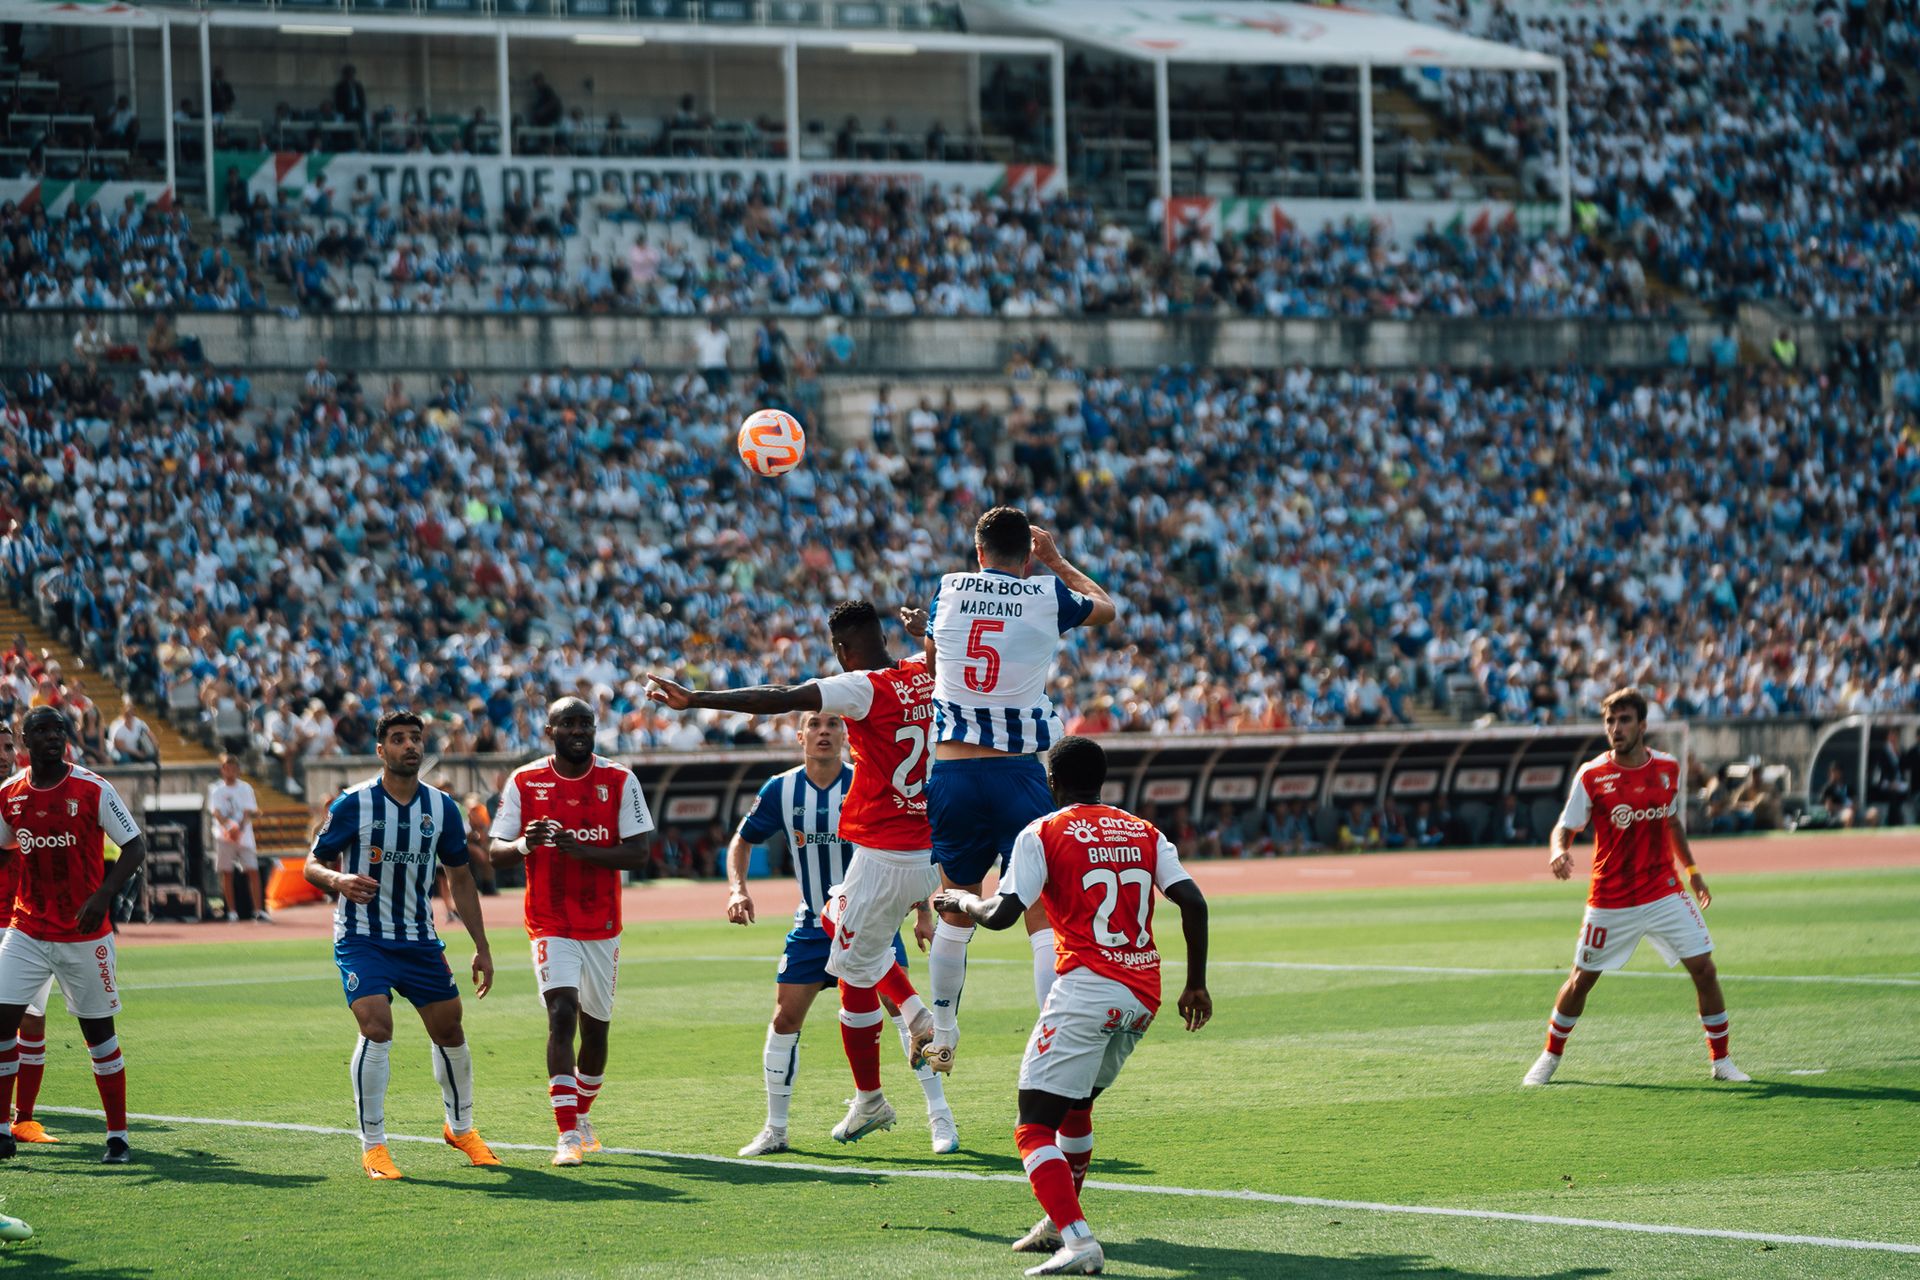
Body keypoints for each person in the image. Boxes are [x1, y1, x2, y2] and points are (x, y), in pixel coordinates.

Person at [646, 599, 941, 1148]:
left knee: (850, 946)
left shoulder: (862, 687)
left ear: (840, 650)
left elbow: (780, 698)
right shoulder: (926, 673)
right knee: (842, 940)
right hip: (929, 853)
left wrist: (698, 699)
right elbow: (941, 664)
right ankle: (871, 1098)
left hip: (884, 852)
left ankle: (920, 1018)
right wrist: (929, 638)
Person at [933, 736, 1210, 1277]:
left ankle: (1078, 1239)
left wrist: (959, 900)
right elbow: (1193, 902)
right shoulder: (1143, 830)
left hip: (1086, 989)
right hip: (1141, 995)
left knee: (1032, 1126)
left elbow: (1001, 914)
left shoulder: (1041, 831)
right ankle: (1059, 1222)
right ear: (1101, 780)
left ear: (1050, 783)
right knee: (1076, 1106)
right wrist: (1195, 983)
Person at [914, 506, 1117, 1073]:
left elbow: (933, 660)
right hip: (1019, 773)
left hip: (953, 772)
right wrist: (1056, 561)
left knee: (953, 901)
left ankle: (945, 1032)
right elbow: (1108, 609)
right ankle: (1053, 1039)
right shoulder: (1047, 593)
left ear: (978, 553)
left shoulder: (949, 589)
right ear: (1027, 554)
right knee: (1039, 912)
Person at [723, 708, 955, 1158]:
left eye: (833, 724)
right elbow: (743, 838)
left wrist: (923, 911)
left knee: (900, 1017)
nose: (824, 731)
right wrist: (737, 889)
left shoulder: (868, 783)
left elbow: (904, 847)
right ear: (800, 735)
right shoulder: (781, 789)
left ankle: (939, 1115)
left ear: (848, 735)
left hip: (873, 922)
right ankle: (776, 1129)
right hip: (813, 926)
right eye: (815, 724)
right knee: (784, 1019)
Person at [303, 710, 503, 1179]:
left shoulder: (442, 808)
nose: (409, 746)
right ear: (381, 750)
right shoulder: (354, 804)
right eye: (398, 739)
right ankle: (374, 1146)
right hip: (362, 936)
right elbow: (311, 863)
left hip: (418, 939)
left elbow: (460, 877)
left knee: (450, 1029)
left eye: (415, 738)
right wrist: (338, 879)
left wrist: (482, 946)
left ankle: (461, 1129)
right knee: (376, 1025)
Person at [1523, 688, 1748, 1087]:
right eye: (1610, 721)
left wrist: (1693, 871)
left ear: (1642, 725)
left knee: (1705, 969)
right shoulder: (1592, 775)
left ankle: (1722, 1061)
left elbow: (1673, 822)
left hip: (1664, 890)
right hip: (1611, 898)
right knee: (1581, 979)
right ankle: (1549, 1056)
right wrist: (1557, 850)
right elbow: (1565, 825)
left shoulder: (1667, 768)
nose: (1616, 728)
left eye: (1624, 720)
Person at [487, 697, 655, 1168]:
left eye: (586, 723)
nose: (579, 730)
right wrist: (526, 843)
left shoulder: (620, 779)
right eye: (569, 723)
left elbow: (639, 852)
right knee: (562, 1012)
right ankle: (565, 1135)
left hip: (602, 923)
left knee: (596, 1034)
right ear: (550, 730)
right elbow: (495, 849)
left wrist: (577, 851)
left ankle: (581, 1114)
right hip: (549, 919)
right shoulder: (525, 780)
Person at [0, 706, 149, 1163]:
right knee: (2, 1020)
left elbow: (135, 846)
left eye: (57, 730)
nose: (51, 737)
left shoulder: (92, 788)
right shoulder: (9, 794)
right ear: (25, 742)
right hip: (26, 928)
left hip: (84, 934)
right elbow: (4, 847)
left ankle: (118, 1136)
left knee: (98, 1034)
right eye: (41, 730)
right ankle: (3, 1128)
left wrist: (103, 895)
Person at [0, 718, 57, 1147]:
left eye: (6, 747)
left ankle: (25, 1119)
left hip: (25, 923)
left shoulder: (24, 795)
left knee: (33, 1021)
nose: (3, 754)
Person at [207, 754, 268, 923]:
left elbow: (248, 811)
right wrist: (228, 828)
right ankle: (232, 911)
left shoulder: (245, 788)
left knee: (253, 870)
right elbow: (216, 812)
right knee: (227, 873)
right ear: (222, 769)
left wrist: (238, 828)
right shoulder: (216, 789)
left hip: (244, 836)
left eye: (234, 767)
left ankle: (258, 910)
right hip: (224, 837)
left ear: (238, 770)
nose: (231, 771)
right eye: (227, 767)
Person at [107, 701, 157, 766]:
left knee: (151, 757)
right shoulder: (117, 726)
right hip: (121, 752)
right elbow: (120, 747)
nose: (130, 714)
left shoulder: (139, 723)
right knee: (125, 759)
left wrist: (155, 749)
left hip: (138, 751)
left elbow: (150, 735)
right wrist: (137, 753)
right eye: (128, 712)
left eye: (132, 711)